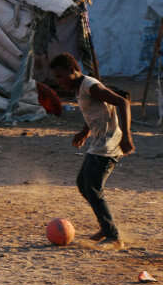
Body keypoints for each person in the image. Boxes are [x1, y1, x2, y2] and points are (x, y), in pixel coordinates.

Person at [49, 53, 134, 249]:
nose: (59, 82)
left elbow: (123, 102)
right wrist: (84, 132)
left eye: (60, 76)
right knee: (83, 184)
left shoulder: (90, 86)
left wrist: (126, 137)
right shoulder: (80, 88)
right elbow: (97, 111)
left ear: (73, 70)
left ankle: (113, 236)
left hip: (109, 144)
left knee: (93, 188)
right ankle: (106, 227)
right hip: (99, 142)